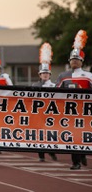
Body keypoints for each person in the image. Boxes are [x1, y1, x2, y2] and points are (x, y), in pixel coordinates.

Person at [56, 30, 91, 170]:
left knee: (83, 136)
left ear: (81, 61)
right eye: (72, 60)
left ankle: (82, 154)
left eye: (76, 60)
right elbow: (54, 93)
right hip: (69, 112)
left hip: (86, 112)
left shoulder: (88, 75)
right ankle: (76, 161)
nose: (74, 62)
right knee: (73, 136)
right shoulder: (63, 75)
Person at [32, 43, 57, 162]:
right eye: (43, 73)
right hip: (39, 114)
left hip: (51, 114)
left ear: (50, 75)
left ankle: (52, 152)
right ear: (40, 75)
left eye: (47, 73)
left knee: (50, 135)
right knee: (39, 135)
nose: (45, 75)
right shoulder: (35, 86)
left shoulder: (55, 86)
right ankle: (41, 156)